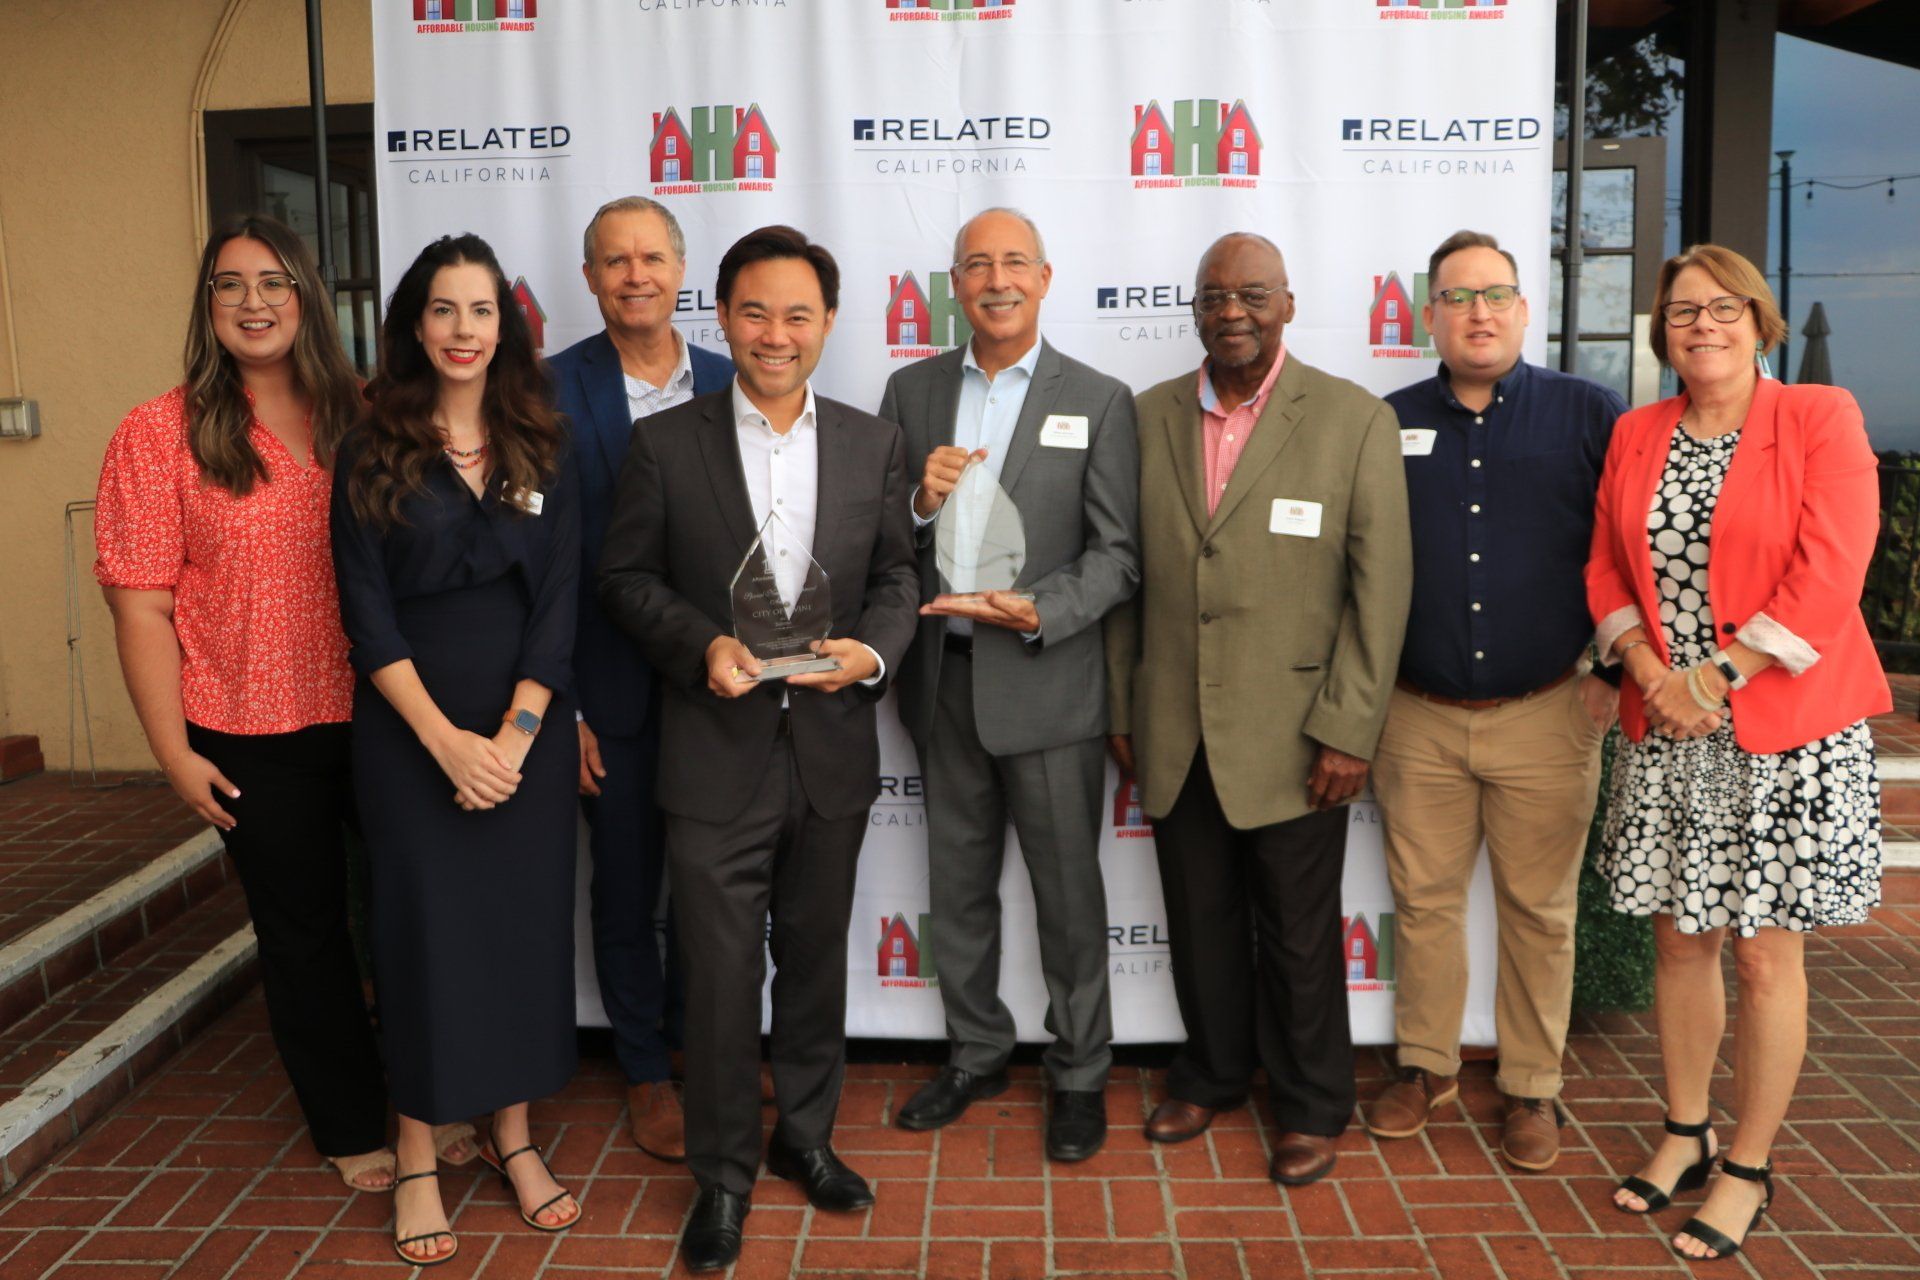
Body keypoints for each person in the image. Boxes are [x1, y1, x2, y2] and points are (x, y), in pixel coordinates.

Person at [92, 214, 471, 1200]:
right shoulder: (157, 433)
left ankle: (439, 1097)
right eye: (229, 284)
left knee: (414, 915)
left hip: (385, 712)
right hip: (248, 729)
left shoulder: (373, 414)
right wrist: (173, 753)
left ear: (307, 296)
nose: (252, 302)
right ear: (207, 305)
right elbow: (140, 606)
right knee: (304, 935)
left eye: (273, 282)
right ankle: (348, 1121)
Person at [598, 225, 919, 1273]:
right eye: (754, 312)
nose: (775, 334)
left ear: (828, 323)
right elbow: (626, 578)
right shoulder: (665, 444)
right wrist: (703, 645)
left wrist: (871, 652)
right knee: (721, 979)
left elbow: (897, 575)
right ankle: (724, 1177)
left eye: (797, 314)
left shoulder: (873, 442)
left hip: (830, 751)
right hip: (713, 752)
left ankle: (807, 1137)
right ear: (723, 318)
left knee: (816, 962)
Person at [1589, 244, 1888, 1261]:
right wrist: (1646, 669)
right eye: (1682, 312)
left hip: (1784, 734)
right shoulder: (1636, 433)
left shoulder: (1818, 417)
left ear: (1759, 321)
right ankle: (1686, 1130)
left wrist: (1711, 680)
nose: (1702, 326)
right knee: (1681, 937)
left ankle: (1748, 1165)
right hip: (1669, 726)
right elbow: (1605, 565)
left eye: (1724, 308)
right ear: (1661, 333)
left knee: (1764, 953)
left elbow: (1831, 571)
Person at [1105, 232, 1411, 1186]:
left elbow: (1381, 592)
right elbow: (1123, 578)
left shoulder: (1353, 420)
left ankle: (1313, 1105)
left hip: (1299, 734)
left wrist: (1349, 729)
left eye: (1251, 294)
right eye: (1213, 296)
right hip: (1173, 725)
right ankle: (1211, 1075)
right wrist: (1123, 708)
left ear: (1286, 304)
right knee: (1198, 921)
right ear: (1195, 310)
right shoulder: (1144, 416)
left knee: (1298, 933)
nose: (1231, 311)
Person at [332, 233, 584, 1266]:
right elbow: (366, 616)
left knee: (520, 932)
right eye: (443, 309)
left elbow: (561, 600)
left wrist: (515, 738)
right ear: (415, 323)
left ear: (505, 327)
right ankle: (418, 1151)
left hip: (527, 732)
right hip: (411, 732)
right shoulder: (369, 446)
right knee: (421, 937)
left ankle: (512, 1136)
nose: (463, 329)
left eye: (481, 310)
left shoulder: (544, 442)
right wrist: (445, 744)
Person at [881, 208, 1139, 1161]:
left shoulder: (1099, 400)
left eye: (1015, 263)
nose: (998, 280)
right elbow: (877, 536)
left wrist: (1038, 611)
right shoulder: (910, 391)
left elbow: (1119, 555)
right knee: (957, 891)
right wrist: (919, 502)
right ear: (954, 284)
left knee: (1069, 898)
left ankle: (1079, 1072)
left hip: (1048, 684)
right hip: (942, 685)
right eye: (978, 264)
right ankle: (976, 1051)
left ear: (1045, 277)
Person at [1366, 230, 1627, 1172]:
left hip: (1548, 709)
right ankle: (1424, 1066)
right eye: (1457, 296)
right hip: (1416, 714)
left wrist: (1611, 675)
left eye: (1495, 295)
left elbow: (1632, 547)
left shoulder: (1588, 413)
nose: (1478, 312)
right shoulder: (1383, 421)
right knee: (1423, 903)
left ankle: (1532, 1085)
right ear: (1427, 316)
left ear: (1523, 310)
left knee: (1540, 911)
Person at [547, 196, 733, 1162]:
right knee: (625, 892)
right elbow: (541, 564)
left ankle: (707, 1050)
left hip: (718, 689)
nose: (635, 276)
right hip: (607, 695)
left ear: (681, 269)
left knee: (711, 891)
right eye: (615, 261)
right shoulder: (545, 390)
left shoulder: (733, 379)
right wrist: (564, 705)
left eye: (652, 257)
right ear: (590, 278)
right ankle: (646, 1071)